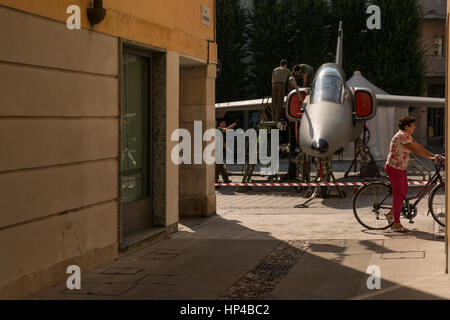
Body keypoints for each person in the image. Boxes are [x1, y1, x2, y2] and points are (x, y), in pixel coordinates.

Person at [384, 116, 438, 232]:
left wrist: (433, 155)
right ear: (406, 126)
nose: (414, 127)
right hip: (395, 168)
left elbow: (419, 147)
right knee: (399, 195)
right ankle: (396, 224)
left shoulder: (406, 135)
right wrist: (430, 158)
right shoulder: (403, 136)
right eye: (413, 125)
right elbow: (415, 150)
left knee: (404, 192)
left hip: (400, 168)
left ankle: (390, 214)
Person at [215, 119, 239, 183]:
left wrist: (227, 149)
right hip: (216, 153)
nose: (225, 125)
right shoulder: (218, 129)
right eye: (224, 123)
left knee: (221, 167)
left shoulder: (218, 131)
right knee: (218, 168)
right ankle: (215, 182)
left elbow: (222, 142)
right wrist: (235, 123)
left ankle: (225, 180)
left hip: (218, 152)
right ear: (220, 124)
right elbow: (227, 129)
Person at [272, 59, 292, 125]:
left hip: (274, 85)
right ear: (285, 65)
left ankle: (273, 117)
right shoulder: (287, 70)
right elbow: (291, 79)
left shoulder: (275, 69)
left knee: (274, 101)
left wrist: (273, 86)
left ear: (280, 64)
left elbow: (272, 79)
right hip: (281, 85)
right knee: (280, 101)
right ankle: (277, 118)